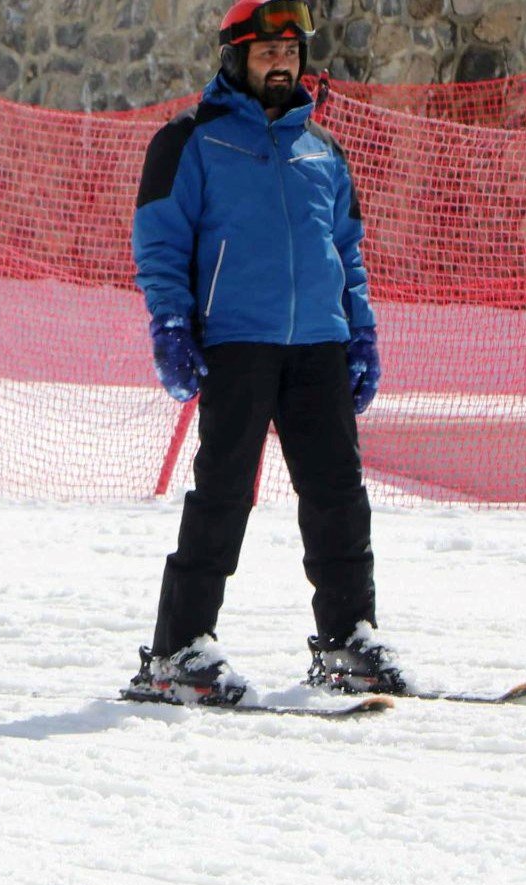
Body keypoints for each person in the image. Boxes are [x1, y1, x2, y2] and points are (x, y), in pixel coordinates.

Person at [125, 0, 403, 705]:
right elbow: (159, 242)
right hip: (236, 340)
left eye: (290, 51)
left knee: (340, 495)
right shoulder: (190, 141)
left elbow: (347, 253)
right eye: (264, 51)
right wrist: (171, 324)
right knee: (222, 496)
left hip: (319, 344)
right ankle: (177, 650)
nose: (280, 62)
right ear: (235, 58)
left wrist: (360, 331)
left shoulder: (323, 151)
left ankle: (348, 640)